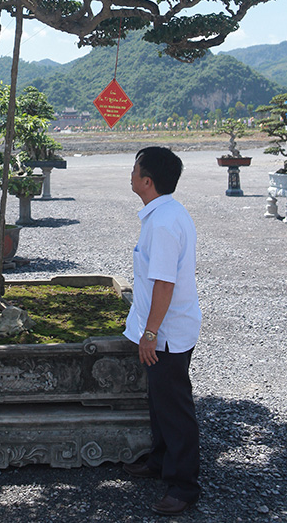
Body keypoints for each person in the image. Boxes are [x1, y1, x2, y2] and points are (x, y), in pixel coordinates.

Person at [123, 146, 201, 516]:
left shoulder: (164, 222)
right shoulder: (162, 213)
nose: (132, 175)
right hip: (162, 328)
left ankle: (184, 486)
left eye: (135, 170)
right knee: (158, 400)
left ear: (148, 181)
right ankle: (160, 461)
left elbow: (164, 284)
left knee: (174, 407)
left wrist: (151, 333)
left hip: (167, 332)